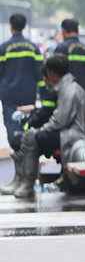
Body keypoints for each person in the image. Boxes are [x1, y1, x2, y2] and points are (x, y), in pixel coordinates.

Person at [6, 54, 85, 200]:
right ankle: (21, 180)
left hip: (76, 135)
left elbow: (60, 120)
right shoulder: (68, 88)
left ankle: (26, 184)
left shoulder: (70, 91)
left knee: (32, 137)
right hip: (73, 132)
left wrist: (39, 130)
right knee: (33, 136)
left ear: (51, 74)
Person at [0, 13, 44, 191]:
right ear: (24, 26)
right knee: (27, 132)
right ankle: (24, 178)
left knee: (14, 132)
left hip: (9, 96)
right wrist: (43, 93)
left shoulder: (4, 48)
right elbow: (40, 74)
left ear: (11, 26)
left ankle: (22, 178)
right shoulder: (33, 48)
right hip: (28, 97)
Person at [52, 18, 85, 99]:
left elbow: (55, 74)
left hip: (67, 96)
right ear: (77, 31)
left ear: (63, 30)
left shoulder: (62, 48)